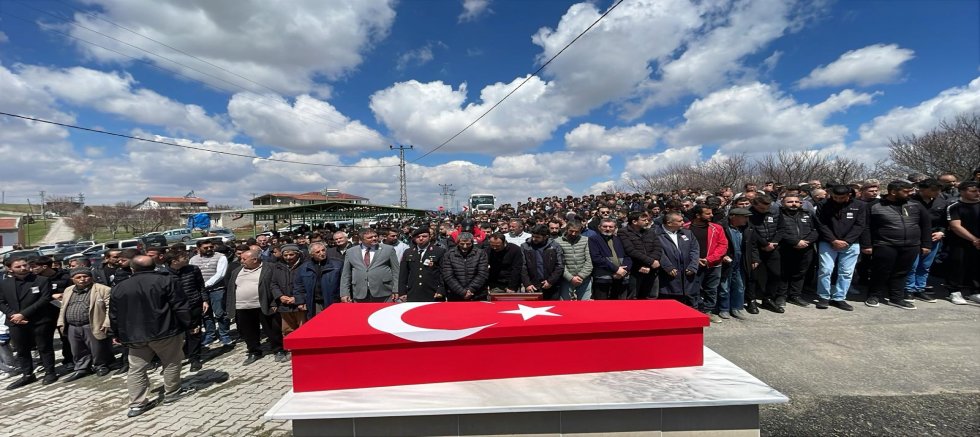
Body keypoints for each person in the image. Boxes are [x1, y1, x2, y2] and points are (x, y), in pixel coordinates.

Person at [109, 255, 194, 417]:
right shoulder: (166, 281)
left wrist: (116, 334)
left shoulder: (119, 287)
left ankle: (137, 404)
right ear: (154, 266)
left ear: (132, 269)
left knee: (136, 369)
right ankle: (172, 392)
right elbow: (180, 306)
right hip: (165, 331)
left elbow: (114, 314)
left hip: (135, 336)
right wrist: (188, 324)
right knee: (171, 362)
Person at [865, 181, 931, 310]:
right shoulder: (874, 206)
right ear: (893, 192)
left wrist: (926, 244)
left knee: (901, 272)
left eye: (911, 191)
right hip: (885, 244)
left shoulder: (916, 205)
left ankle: (896, 298)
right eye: (906, 191)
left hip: (911, 245)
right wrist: (867, 244)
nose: (910, 194)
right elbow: (866, 227)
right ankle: (874, 295)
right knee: (881, 271)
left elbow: (926, 225)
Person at [0, 257, 57, 389]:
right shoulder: (4, 284)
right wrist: (12, 315)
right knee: (21, 349)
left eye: (24, 265)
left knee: (44, 347)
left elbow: (45, 299)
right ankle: (27, 374)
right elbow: (1, 302)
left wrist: (23, 314)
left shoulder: (41, 280)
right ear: (10, 269)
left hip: (39, 320)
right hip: (15, 322)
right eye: (18, 266)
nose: (23, 268)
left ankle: (50, 372)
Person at [226, 249, 288, 365]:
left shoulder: (269, 268)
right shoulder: (237, 271)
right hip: (242, 307)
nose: (241, 261)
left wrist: (274, 303)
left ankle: (279, 350)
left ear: (255, 259)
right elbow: (231, 289)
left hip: (264, 305)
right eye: (241, 258)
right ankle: (254, 351)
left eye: (244, 259)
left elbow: (275, 286)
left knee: (272, 329)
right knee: (249, 332)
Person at [814, 184, 868, 311]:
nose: (838, 200)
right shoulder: (824, 204)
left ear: (848, 195)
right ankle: (823, 296)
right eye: (835, 197)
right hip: (828, 241)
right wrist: (833, 240)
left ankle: (839, 297)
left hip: (851, 243)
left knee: (846, 272)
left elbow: (860, 225)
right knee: (825, 270)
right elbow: (821, 224)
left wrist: (847, 241)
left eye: (841, 197)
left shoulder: (860, 205)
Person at [56, 267, 113, 381]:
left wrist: (107, 322)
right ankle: (82, 368)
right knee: (77, 349)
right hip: (72, 325)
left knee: (97, 348)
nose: (82, 279)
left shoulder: (102, 289)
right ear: (73, 279)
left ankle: (100, 366)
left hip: (92, 323)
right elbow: (63, 307)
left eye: (85, 276)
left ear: (91, 277)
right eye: (78, 277)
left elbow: (109, 308)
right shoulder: (68, 290)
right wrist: (61, 322)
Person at [904, 179, 948, 302]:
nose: (937, 192)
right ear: (922, 190)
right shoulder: (910, 201)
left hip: (933, 237)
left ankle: (920, 289)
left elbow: (944, 221)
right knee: (912, 265)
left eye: (938, 190)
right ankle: (909, 289)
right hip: (913, 237)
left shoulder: (941, 202)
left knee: (925, 265)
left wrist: (941, 232)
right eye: (933, 190)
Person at [162, 250, 206, 372]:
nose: (187, 258)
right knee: (174, 337)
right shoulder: (163, 274)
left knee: (194, 333)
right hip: (174, 310)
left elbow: (200, 286)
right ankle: (172, 362)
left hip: (193, 305)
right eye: (184, 257)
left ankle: (195, 359)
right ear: (174, 261)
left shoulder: (193, 269)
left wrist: (205, 300)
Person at [683, 205, 728, 320]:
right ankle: (695, 309)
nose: (711, 215)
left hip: (713, 264)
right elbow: (681, 247)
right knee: (693, 289)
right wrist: (694, 260)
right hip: (693, 264)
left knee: (711, 289)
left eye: (711, 213)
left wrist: (710, 259)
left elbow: (723, 245)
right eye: (708, 213)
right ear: (698, 215)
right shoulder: (685, 228)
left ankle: (708, 311)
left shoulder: (717, 228)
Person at [776, 194, 818, 308]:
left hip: (806, 248)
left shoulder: (808, 214)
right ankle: (781, 296)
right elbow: (778, 231)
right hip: (785, 248)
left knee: (800, 272)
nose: (794, 204)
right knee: (784, 273)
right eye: (790, 202)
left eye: (796, 201)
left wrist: (807, 242)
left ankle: (795, 295)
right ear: (783, 203)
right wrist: (794, 242)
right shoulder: (778, 215)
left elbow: (816, 230)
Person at [188, 240, 231, 347]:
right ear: (198, 248)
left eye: (211, 247)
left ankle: (224, 334)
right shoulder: (193, 259)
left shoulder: (220, 257)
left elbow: (220, 274)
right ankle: (210, 334)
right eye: (205, 248)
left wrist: (206, 284)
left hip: (217, 290)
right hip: (201, 292)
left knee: (220, 313)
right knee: (206, 314)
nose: (209, 249)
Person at [718, 208, 759, 318]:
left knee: (740, 286)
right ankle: (724, 308)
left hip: (742, 260)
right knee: (724, 286)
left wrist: (754, 259)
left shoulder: (748, 228)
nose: (747, 219)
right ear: (733, 216)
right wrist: (722, 255)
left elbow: (753, 245)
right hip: (727, 261)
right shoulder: (722, 227)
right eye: (744, 217)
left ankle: (736, 308)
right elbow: (717, 244)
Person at [340, 228, 400, 303]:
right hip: (360, 293)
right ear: (361, 239)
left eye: (375, 236)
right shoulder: (351, 252)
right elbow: (346, 274)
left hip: (383, 292)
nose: (374, 238)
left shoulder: (388, 249)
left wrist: (396, 289)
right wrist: (344, 293)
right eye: (370, 237)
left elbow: (396, 271)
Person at [655, 212, 701, 309]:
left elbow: (695, 250)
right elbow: (658, 251)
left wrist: (693, 266)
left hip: (687, 274)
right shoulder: (656, 234)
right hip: (669, 276)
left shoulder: (687, 233)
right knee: (670, 304)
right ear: (669, 223)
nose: (683, 223)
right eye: (679, 221)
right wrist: (668, 266)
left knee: (690, 302)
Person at [945, 181, 980, 304]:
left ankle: (975, 291)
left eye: (978, 190)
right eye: (973, 191)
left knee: (976, 266)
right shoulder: (954, 206)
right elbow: (955, 226)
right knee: (958, 266)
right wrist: (974, 239)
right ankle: (954, 291)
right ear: (962, 192)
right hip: (960, 242)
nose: (977, 193)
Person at [747, 195, 784, 313]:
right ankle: (751, 301)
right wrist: (764, 244)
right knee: (753, 276)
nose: (765, 211)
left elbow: (781, 228)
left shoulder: (775, 210)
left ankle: (768, 299)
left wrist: (774, 242)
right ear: (754, 205)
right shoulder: (748, 214)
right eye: (762, 208)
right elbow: (751, 231)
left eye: (767, 208)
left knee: (775, 274)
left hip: (772, 246)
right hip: (755, 249)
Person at [619, 212, 661, 300]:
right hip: (635, 269)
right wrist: (650, 262)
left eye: (648, 220)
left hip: (651, 269)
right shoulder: (623, 232)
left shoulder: (651, 232)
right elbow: (631, 251)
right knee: (633, 298)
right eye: (644, 220)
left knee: (652, 297)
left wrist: (650, 264)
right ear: (634, 222)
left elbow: (657, 248)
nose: (647, 222)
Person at [294, 242, 342, 318]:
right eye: (317, 252)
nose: (322, 253)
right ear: (311, 254)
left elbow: (344, 283)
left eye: (323, 250)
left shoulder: (337, 264)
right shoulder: (304, 268)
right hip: (314, 303)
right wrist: (300, 301)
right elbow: (299, 286)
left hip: (333, 302)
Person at [588, 218, 632, 300]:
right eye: (605, 226)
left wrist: (623, 270)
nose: (608, 229)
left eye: (611, 227)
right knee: (602, 307)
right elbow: (596, 258)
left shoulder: (619, 239)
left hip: (621, 277)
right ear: (599, 227)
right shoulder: (593, 239)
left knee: (619, 307)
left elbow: (628, 256)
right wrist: (616, 269)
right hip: (603, 278)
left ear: (615, 228)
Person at [398, 228, 447, 302]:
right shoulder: (408, 252)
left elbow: (443, 273)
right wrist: (402, 291)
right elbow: (403, 274)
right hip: (413, 292)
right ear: (414, 238)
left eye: (424, 236)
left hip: (433, 292)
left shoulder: (439, 251)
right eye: (418, 237)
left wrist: (441, 290)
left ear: (429, 237)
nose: (421, 238)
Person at [441, 233, 489, 301]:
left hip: (477, 293)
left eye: (468, 244)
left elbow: (482, 274)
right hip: (455, 294)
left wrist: (470, 290)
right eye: (462, 244)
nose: (465, 246)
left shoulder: (481, 253)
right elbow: (448, 275)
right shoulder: (449, 254)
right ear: (457, 243)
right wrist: (462, 292)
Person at [521, 225, 565, 300]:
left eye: (538, 237)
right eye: (533, 236)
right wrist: (527, 284)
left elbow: (560, 265)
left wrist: (550, 281)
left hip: (551, 286)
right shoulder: (525, 246)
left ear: (545, 237)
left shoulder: (555, 246)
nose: (534, 239)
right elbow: (522, 266)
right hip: (532, 286)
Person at [557, 220, 593, 300]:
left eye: (576, 232)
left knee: (585, 304)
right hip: (566, 278)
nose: (573, 234)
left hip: (584, 278)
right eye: (571, 231)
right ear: (566, 229)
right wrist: (570, 278)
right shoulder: (558, 242)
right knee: (564, 304)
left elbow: (589, 260)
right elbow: (559, 263)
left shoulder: (586, 240)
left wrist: (581, 276)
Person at [277, 244, 308, 336]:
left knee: (304, 327)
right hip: (284, 304)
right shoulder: (278, 266)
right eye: (285, 255)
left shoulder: (305, 265)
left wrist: (298, 298)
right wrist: (280, 296)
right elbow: (273, 284)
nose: (288, 257)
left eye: (291, 255)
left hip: (301, 303)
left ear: (297, 254)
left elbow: (308, 285)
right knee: (287, 329)